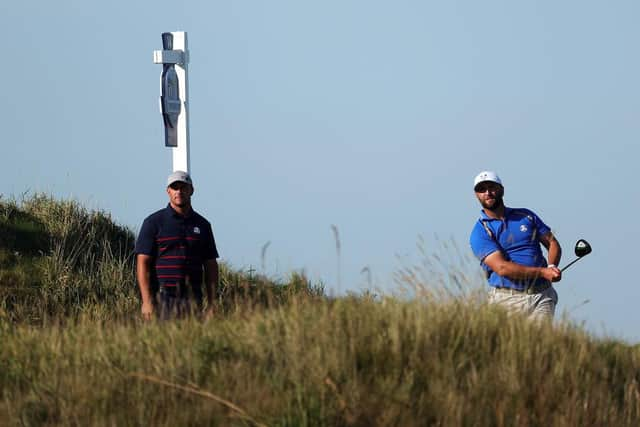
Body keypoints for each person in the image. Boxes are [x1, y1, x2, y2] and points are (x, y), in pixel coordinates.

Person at [469, 171, 562, 320]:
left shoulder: (526, 215)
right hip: (507, 300)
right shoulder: (480, 232)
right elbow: (502, 268)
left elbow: (552, 242)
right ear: (476, 195)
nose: (487, 193)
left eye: (492, 187)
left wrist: (552, 267)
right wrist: (543, 272)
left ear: (502, 190)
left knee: (540, 341)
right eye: (482, 190)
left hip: (542, 294)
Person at [135, 171, 219, 320]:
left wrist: (212, 304)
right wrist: (147, 301)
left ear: (191, 190)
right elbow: (143, 262)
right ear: (168, 191)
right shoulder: (154, 222)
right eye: (175, 188)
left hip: (193, 300)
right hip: (163, 299)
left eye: (183, 187)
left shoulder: (203, 225)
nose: (179, 191)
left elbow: (210, 265)